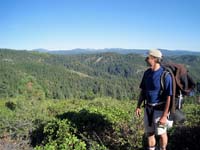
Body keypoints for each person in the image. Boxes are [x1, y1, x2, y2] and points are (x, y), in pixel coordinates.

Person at [135, 49, 172, 150]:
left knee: (162, 133)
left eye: (148, 57)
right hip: (148, 108)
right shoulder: (147, 73)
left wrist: (164, 116)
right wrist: (138, 106)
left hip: (160, 109)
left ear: (155, 59)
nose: (146, 59)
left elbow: (169, 96)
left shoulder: (165, 76)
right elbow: (143, 91)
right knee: (150, 133)